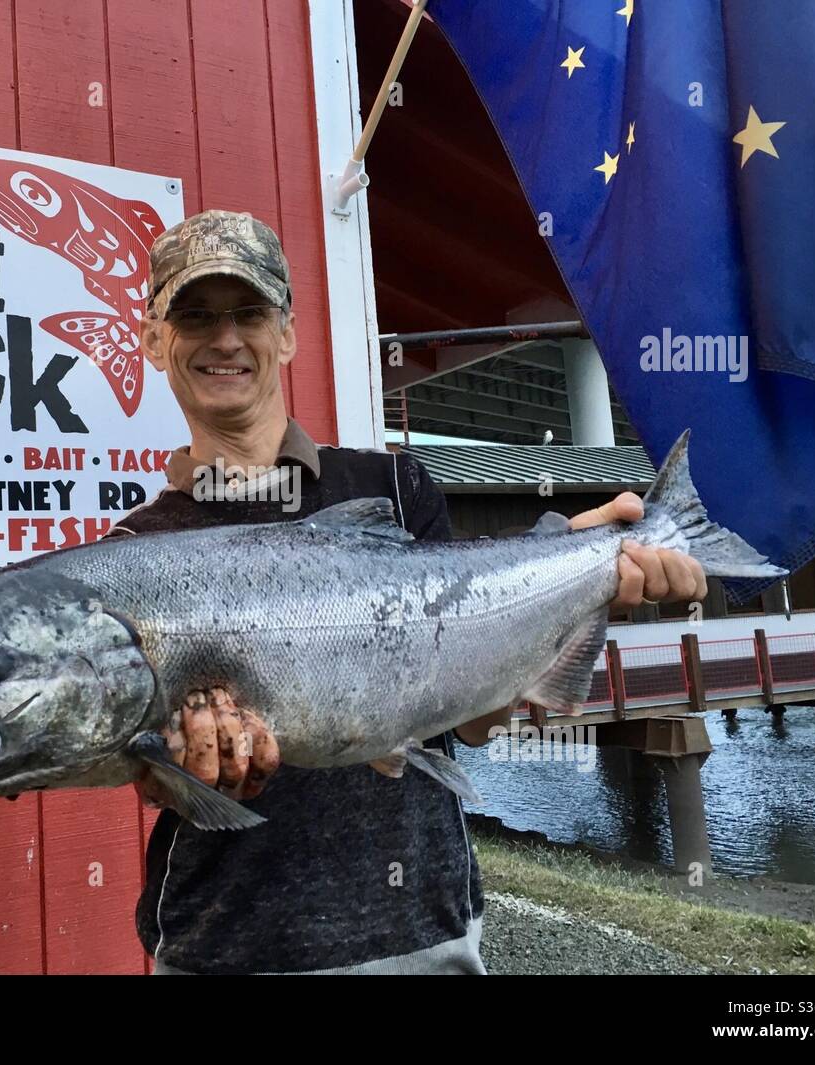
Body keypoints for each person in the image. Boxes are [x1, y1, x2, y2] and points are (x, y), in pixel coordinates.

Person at [104, 209, 707, 975]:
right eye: (193, 314)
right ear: (155, 339)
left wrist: (581, 577)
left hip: (422, 937)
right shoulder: (133, 553)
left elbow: (476, 721)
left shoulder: (394, 484)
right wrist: (180, 769)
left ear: (285, 332)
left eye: (250, 311)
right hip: (223, 949)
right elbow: (142, 768)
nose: (225, 338)